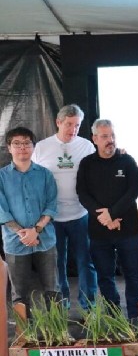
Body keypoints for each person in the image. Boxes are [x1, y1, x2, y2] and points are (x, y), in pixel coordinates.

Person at [32, 104, 98, 311]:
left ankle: (88, 307)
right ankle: (62, 303)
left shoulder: (87, 146)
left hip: (80, 214)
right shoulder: (41, 147)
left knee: (86, 261)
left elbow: (99, 171)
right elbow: (32, 177)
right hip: (52, 218)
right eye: (69, 124)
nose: (73, 129)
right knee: (56, 263)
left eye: (77, 125)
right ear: (58, 123)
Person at [76, 119, 138, 320]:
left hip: (128, 229)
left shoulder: (127, 161)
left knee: (132, 274)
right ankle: (114, 317)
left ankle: (134, 316)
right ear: (95, 139)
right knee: (105, 276)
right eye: (105, 136)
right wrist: (103, 217)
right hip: (99, 232)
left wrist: (112, 214)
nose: (110, 140)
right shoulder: (86, 164)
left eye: (112, 135)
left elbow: (133, 190)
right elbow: (82, 193)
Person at [0, 127, 59, 310]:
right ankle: (24, 328)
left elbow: (51, 205)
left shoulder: (45, 174)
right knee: (19, 294)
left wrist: (36, 230)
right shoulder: (1, 177)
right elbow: (1, 210)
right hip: (14, 242)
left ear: (33, 147)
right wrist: (23, 233)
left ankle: (57, 327)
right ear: (9, 148)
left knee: (53, 290)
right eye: (17, 143)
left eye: (27, 143)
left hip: (45, 240)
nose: (22, 147)